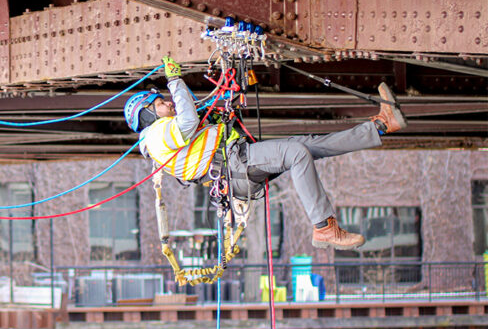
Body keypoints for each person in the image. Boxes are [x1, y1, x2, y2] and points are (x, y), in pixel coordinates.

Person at [124, 57, 407, 250]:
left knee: (308, 146)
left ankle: (382, 126)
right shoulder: (156, 136)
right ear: (148, 113)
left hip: (237, 161)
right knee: (297, 153)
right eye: (161, 103)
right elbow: (187, 121)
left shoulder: (164, 132)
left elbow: (195, 119)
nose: (169, 104)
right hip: (235, 167)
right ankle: (324, 227)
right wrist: (175, 80)